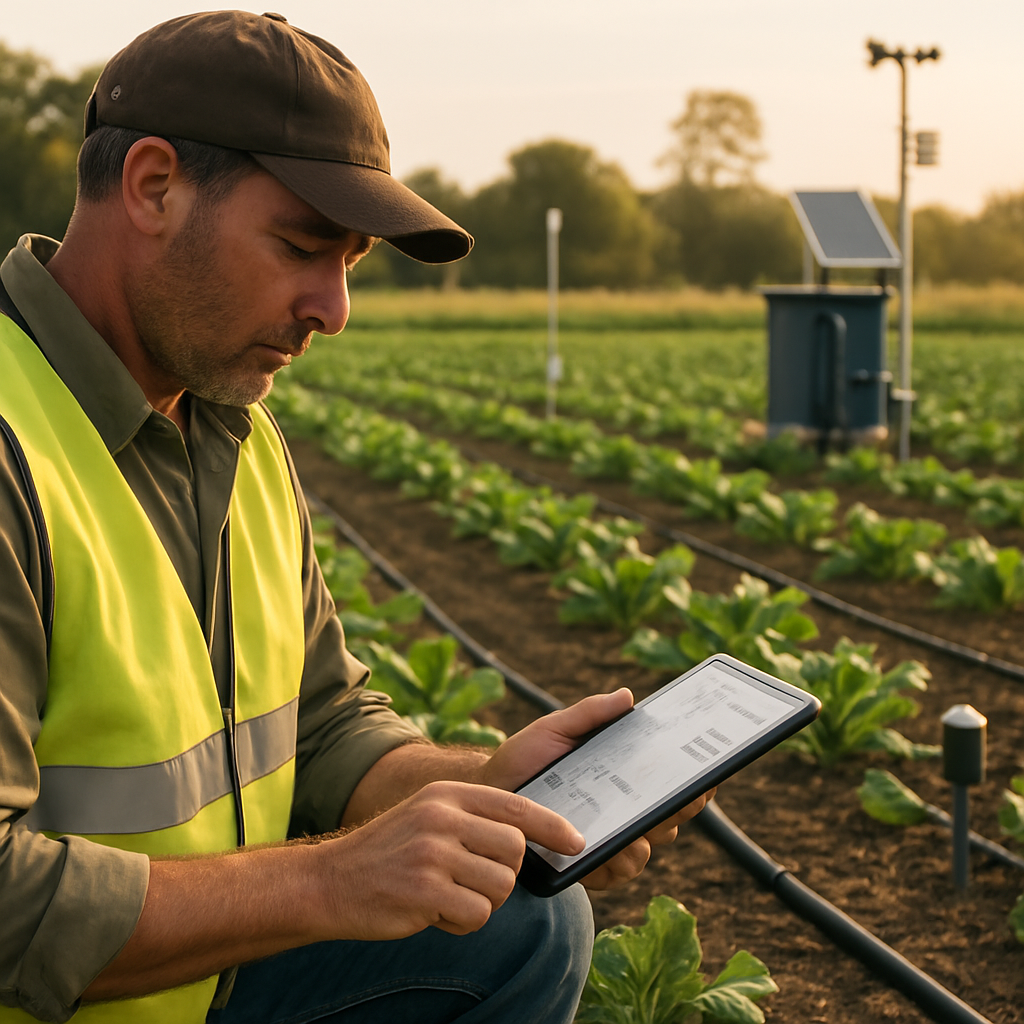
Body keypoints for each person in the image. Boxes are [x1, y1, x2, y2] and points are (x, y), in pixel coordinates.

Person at [0, 12, 712, 1024]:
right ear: (153, 186)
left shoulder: (233, 432)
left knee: (525, 922)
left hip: (188, 984)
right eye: (301, 247)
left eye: (353, 261)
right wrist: (326, 882)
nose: (333, 308)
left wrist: (487, 782)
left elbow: (325, 721)